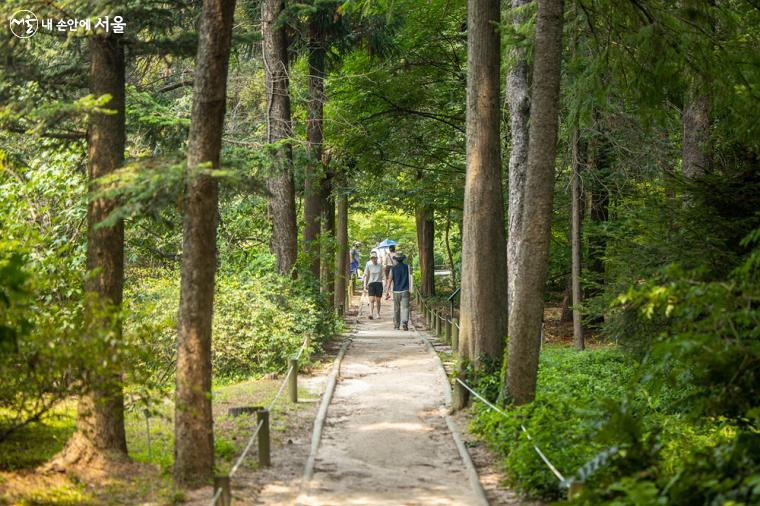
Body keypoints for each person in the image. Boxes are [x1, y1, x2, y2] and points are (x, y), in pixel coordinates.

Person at [386, 251, 412, 330]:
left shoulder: (393, 269)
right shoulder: (407, 267)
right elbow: (411, 278)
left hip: (396, 291)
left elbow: (390, 280)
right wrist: (411, 289)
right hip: (405, 290)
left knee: (396, 308)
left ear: (396, 259)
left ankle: (397, 325)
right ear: (402, 259)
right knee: (405, 307)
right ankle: (404, 322)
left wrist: (387, 291)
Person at [362, 249, 384, 320]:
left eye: (375, 258)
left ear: (377, 258)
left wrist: (384, 280)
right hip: (371, 283)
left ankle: (378, 313)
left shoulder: (380, 266)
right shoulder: (369, 266)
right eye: (372, 258)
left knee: (378, 300)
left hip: (378, 283)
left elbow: (383, 275)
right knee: (371, 300)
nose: (374, 259)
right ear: (371, 259)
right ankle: (371, 313)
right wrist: (365, 285)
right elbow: (367, 275)